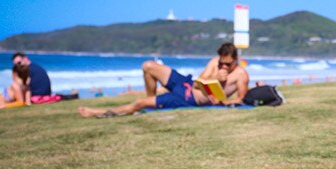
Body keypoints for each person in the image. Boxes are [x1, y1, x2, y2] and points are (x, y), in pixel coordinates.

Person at [78, 43, 249, 118]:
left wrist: (222, 101)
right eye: (221, 63)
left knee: (138, 102)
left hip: (188, 99)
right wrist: (215, 77)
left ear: (236, 60)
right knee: (148, 66)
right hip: (186, 85)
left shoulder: (241, 75)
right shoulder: (215, 63)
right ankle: (151, 103)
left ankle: (96, 112)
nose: (224, 67)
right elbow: (198, 82)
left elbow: (241, 99)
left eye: (227, 64)